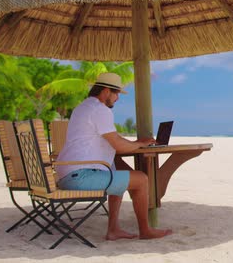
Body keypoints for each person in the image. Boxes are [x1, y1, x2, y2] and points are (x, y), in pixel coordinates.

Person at [55, 72, 172, 240]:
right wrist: (139, 144)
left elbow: (114, 137)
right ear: (105, 92)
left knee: (114, 169)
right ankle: (146, 231)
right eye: (116, 93)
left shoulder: (83, 107)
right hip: (79, 176)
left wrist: (136, 142)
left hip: (66, 173)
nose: (117, 98)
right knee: (141, 179)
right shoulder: (100, 110)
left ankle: (113, 229)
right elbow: (117, 144)